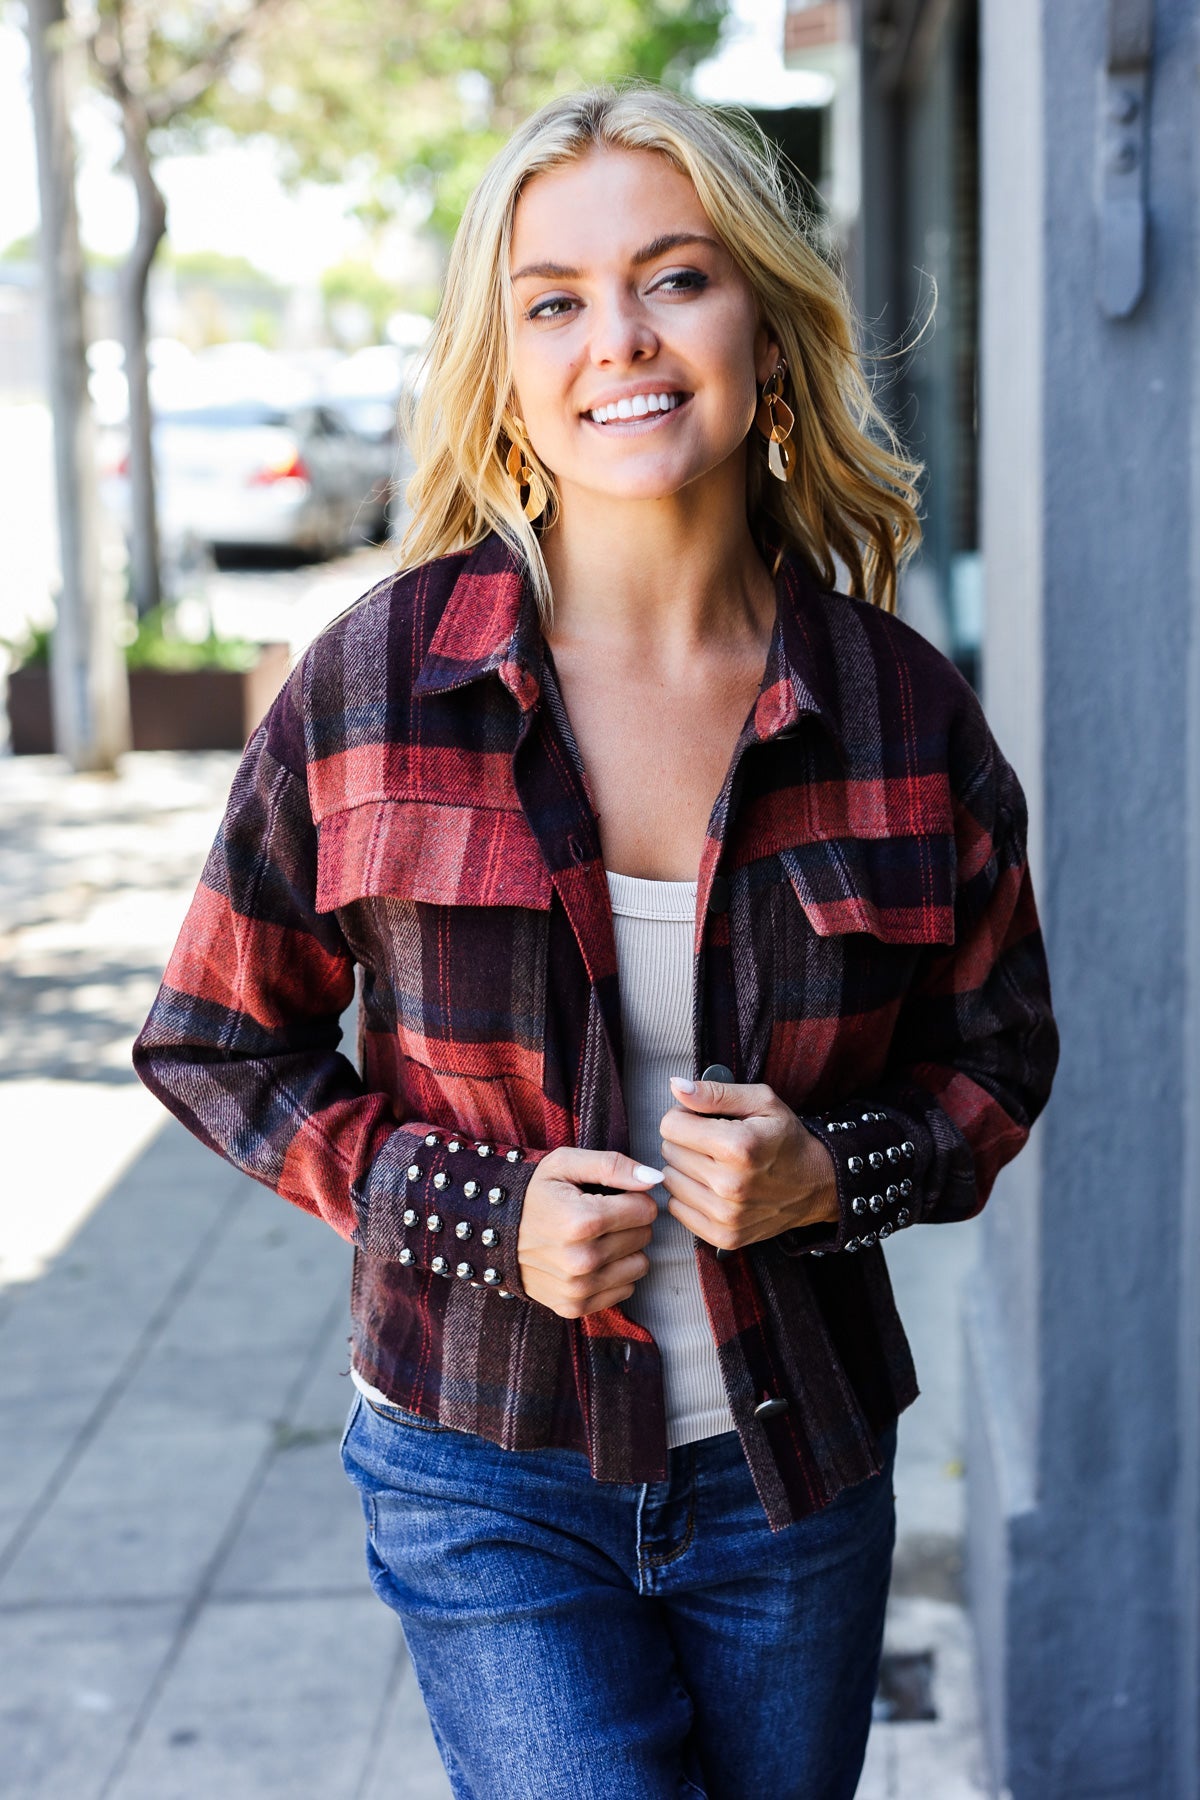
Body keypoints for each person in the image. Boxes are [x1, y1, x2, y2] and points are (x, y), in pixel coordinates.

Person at [134, 84, 1058, 1800]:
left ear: (767, 327)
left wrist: (833, 1174)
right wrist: (468, 1207)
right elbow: (213, 1040)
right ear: (505, 370)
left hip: (797, 1474)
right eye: (553, 300)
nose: (618, 337)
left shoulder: (899, 712)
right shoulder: (376, 687)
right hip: (484, 1466)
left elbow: (997, 1058)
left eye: (675, 277)